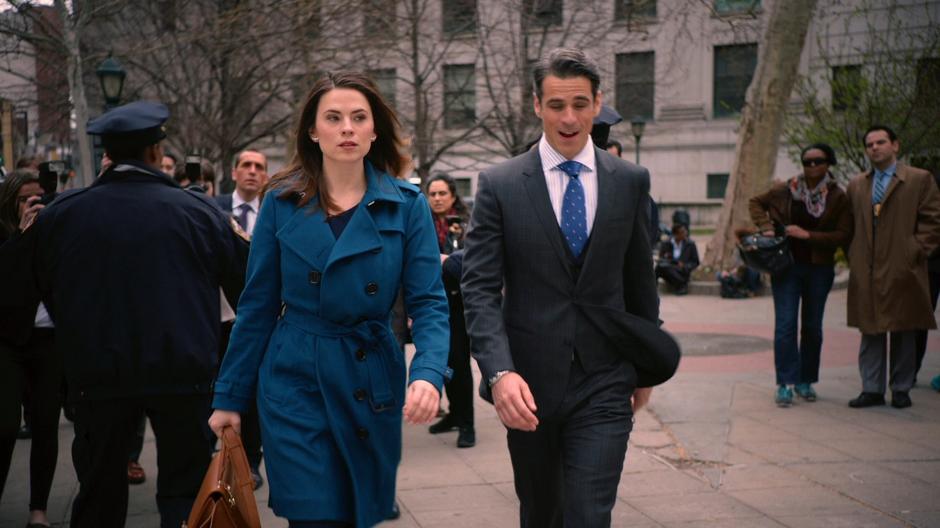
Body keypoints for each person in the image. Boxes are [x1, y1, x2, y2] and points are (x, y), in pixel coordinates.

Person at [207, 71, 451, 528]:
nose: (347, 128)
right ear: (312, 131)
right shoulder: (281, 202)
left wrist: (430, 372)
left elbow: (430, 302)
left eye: (359, 117)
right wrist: (230, 396)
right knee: (312, 513)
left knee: (357, 513)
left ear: (374, 130)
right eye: (333, 117)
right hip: (294, 378)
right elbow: (256, 306)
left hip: (368, 374)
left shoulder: (407, 204)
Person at [3, 101, 248, 528]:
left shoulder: (62, 215)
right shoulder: (201, 213)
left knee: (99, 491)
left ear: (107, 156)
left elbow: (16, 289)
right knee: (186, 491)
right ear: (156, 152)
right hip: (181, 371)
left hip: (98, 374)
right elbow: (247, 288)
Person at [461, 48, 677, 527]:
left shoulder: (630, 181)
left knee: (587, 514)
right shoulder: (499, 185)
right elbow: (478, 289)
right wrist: (499, 373)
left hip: (605, 381)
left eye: (580, 103)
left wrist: (643, 366)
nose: (569, 117)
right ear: (536, 105)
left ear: (598, 103)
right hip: (528, 387)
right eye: (556, 105)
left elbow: (640, 282)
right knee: (541, 513)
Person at [748, 143, 851, 406]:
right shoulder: (787, 188)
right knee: (785, 325)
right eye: (807, 162)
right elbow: (756, 202)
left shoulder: (838, 196)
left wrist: (808, 235)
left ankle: (806, 381)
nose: (812, 167)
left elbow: (842, 235)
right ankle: (784, 383)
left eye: (818, 161)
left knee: (812, 327)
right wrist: (767, 227)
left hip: (820, 268)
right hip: (786, 267)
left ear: (829, 163)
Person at [846, 125, 940, 409]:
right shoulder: (857, 184)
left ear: (895, 146)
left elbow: (933, 221)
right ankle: (871, 389)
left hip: (903, 266)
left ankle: (901, 387)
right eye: (870, 144)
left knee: (904, 328)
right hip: (868, 267)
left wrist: (915, 251)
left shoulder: (918, 179)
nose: (875, 147)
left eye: (881, 142)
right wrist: (854, 254)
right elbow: (849, 225)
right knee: (870, 329)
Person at [0, 170, 63, 528]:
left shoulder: (52, 232)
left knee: (45, 426)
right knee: (5, 427)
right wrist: (22, 236)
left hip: (47, 341)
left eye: (38, 197)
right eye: (25, 199)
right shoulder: (8, 234)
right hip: (7, 343)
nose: (33, 204)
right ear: (11, 202)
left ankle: (38, 509)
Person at [424, 173, 475, 448]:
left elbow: (479, 259)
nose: (437, 199)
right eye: (433, 194)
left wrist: (451, 259)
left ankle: (467, 424)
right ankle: (454, 414)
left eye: (442, 193)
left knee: (459, 363)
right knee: (442, 364)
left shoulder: (467, 224)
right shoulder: (423, 223)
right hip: (433, 304)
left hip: (461, 305)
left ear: (453, 196)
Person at [215, 150, 269, 234]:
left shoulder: (272, 214)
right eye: (246, 165)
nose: (252, 171)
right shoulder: (215, 206)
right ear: (234, 174)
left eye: (258, 167)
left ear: (266, 178)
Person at [655, 223, 699, 295]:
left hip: (682, 270)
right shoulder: (666, 243)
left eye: (685, 231)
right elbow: (661, 258)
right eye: (682, 232)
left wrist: (685, 266)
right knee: (659, 267)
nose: (685, 233)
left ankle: (682, 285)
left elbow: (695, 262)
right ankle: (652, 289)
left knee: (665, 268)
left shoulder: (690, 244)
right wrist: (667, 259)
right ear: (676, 235)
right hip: (669, 268)